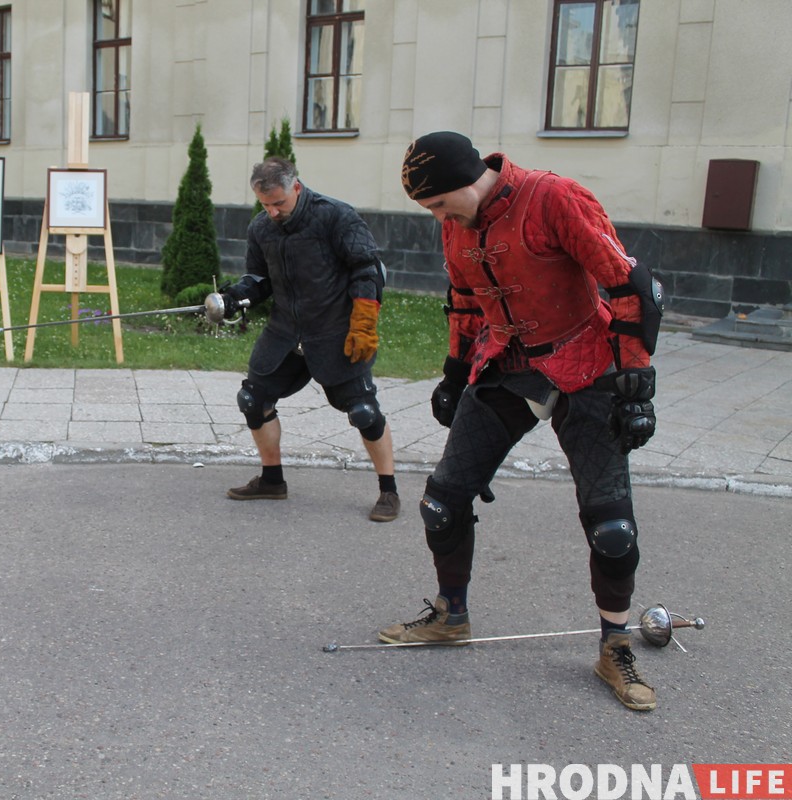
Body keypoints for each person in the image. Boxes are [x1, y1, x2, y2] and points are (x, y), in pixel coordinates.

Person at [382, 132, 664, 711]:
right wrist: (454, 374)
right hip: (507, 365)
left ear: (463, 182)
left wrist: (637, 385)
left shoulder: (555, 198)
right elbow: (464, 301)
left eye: (437, 204)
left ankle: (614, 647)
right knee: (442, 501)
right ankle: (449, 614)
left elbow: (629, 286)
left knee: (612, 529)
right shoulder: (456, 221)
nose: (438, 217)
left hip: (588, 364)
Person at [219, 157, 400, 522]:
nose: (272, 212)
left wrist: (364, 322)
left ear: (296, 188)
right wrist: (233, 298)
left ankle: (389, 491)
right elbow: (259, 279)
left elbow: (367, 267)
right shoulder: (261, 228)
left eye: (279, 204)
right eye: (265, 204)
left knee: (363, 412)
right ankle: (272, 481)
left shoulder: (335, 216)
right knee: (253, 400)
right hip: (285, 332)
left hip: (335, 331)